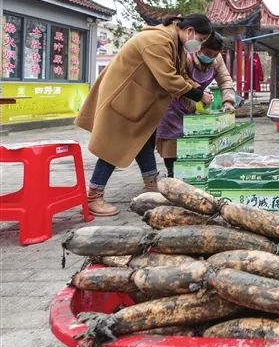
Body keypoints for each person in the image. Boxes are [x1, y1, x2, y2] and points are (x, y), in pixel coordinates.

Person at [75, 14, 213, 216]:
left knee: (143, 141)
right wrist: (198, 94)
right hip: (123, 97)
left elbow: (180, 73)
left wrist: (196, 88)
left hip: (138, 100)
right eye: (200, 40)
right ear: (190, 31)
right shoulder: (157, 40)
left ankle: (151, 185)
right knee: (115, 146)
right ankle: (93, 196)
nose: (198, 45)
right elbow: (168, 78)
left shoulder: (174, 41)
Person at [156, 32, 237, 178]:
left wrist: (228, 101)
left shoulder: (217, 60)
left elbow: (225, 80)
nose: (210, 57)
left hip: (195, 102)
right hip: (173, 103)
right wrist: (197, 96)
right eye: (207, 53)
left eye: (214, 54)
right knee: (172, 140)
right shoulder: (186, 57)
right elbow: (180, 79)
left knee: (191, 140)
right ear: (199, 48)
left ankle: (192, 172)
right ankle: (172, 172)